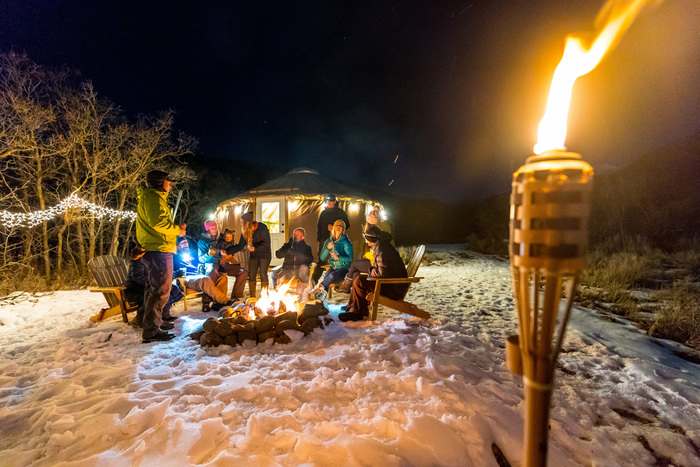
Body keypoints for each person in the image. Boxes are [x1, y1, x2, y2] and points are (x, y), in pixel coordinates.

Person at [136, 170, 186, 343]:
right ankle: (151, 329)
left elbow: (159, 221)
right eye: (168, 183)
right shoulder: (153, 198)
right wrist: (176, 230)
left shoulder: (152, 197)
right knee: (161, 291)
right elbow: (158, 223)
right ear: (161, 183)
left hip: (156, 247)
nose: (170, 187)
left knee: (154, 289)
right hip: (159, 248)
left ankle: (147, 323)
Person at [339, 225, 408, 322]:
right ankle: (353, 308)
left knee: (360, 281)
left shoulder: (382, 249)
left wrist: (373, 271)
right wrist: (372, 269)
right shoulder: (381, 246)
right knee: (356, 276)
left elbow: (383, 274)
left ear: (370, 239)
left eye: (366, 239)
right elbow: (380, 268)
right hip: (390, 284)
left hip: (393, 288)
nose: (365, 241)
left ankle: (358, 312)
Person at [334, 206, 393, 294]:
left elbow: (377, 252)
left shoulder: (382, 231)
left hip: (379, 265)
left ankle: (346, 286)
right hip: (376, 262)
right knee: (355, 274)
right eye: (372, 211)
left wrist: (366, 255)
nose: (373, 213)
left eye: (376, 211)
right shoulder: (375, 230)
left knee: (354, 264)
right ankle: (353, 301)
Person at [124, 245, 183, 329]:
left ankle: (164, 314)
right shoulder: (138, 260)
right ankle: (140, 318)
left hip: (147, 285)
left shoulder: (152, 259)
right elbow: (138, 277)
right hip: (135, 289)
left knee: (171, 288)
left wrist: (172, 276)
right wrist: (155, 283)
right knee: (154, 293)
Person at [311, 194, 350, 284]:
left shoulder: (341, 213)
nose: (329, 203)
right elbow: (319, 226)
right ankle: (313, 281)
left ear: (335, 202)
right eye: (328, 201)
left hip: (337, 242)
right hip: (324, 240)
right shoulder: (323, 213)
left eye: (331, 201)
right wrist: (320, 240)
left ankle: (337, 282)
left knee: (337, 261)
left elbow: (347, 225)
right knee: (320, 262)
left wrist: (335, 227)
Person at [196, 220, 230, 312]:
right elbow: (201, 259)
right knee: (212, 273)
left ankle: (219, 303)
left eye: (215, 228)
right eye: (212, 228)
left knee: (224, 278)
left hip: (221, 262)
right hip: (210, 263)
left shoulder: (221, 238)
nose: (214, 230)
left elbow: (230, 244)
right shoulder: (202, 241)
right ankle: (206, 302)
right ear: (208, 229)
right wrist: (209, 254)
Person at [271, 227, 313, 291]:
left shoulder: (307, 248)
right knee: (275, 273)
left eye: (297, 234)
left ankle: (304, 293)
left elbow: (310, 259)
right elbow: (278, 254)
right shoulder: (287, 246)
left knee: (304, 268)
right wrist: (286, 252)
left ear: (302, 237)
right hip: (288, 271)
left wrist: (299, 255)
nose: (294, 236)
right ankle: (277, 295)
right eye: (294, 234)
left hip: (300, 272)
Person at [240, 211, 271, 297]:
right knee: (252, 274)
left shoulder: (262, 228)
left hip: (264, 254)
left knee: (263, 274)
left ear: (247, 222)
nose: (241, 223)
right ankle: (252, 296)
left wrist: (255, 248)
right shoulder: (245, 231)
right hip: (254, 256)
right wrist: (227, 251)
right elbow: (240, 245)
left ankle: (264, 295)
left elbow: (267, 243)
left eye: (242, 222)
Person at [318, 219, 353, 292]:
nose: (338, 227)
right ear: (333, 228)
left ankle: (317, 291)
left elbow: (350, 258)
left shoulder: (346, 242)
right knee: (326, 278)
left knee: (331, 276)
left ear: (343, 229)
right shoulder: (328, 242)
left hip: (343, 269)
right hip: (332, 268)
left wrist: (338, 258)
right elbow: (322, 258)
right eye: (337, 225)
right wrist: (327, 248)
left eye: (341, 226)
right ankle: (320, 298)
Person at [216, 228, 248, 300]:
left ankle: (236, 296)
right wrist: (222, 253)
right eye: (226, 237)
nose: (228, 238)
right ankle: (220, 300)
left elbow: (238, 247)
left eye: (229, 237)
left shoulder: (231, 243)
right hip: (221, 263)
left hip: (229, 263)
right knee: (223, 277)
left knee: (243, 272)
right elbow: (221, 249)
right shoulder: (221, 243)